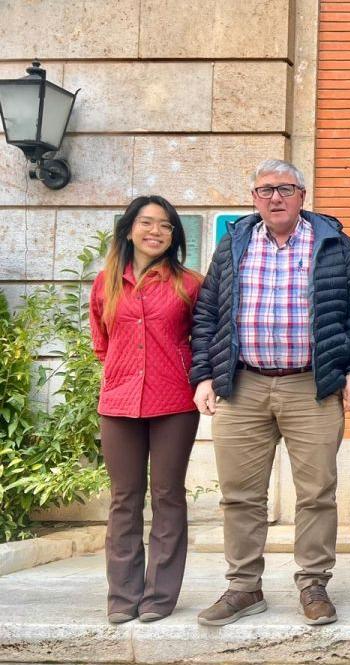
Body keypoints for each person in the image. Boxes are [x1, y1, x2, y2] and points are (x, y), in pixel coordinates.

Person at [191, 159, 350, 626]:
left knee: (316, 493)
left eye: (286, 189)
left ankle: (313, 582)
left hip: (311, 386)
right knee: (240, 495)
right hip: (242, 384)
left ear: (302, 196)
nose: (275, 197)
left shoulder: (335, 243)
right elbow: (208, 313)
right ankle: (243, 587)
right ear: (253, 198)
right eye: (265, 190)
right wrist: (203, 375)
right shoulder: (232, 245)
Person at [90, 196, 203, 624]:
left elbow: (203, 338)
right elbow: (102, 341)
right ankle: (122, 596)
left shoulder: (190, 283)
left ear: (174, 235)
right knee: (124, 499)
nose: (155, 231)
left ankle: (159, 595)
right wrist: (126, 372)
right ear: (129, 228)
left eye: (165, 225)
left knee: (168, 495)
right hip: (118, 402)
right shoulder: (106, 283)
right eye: (146, 222)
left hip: (174, 400)